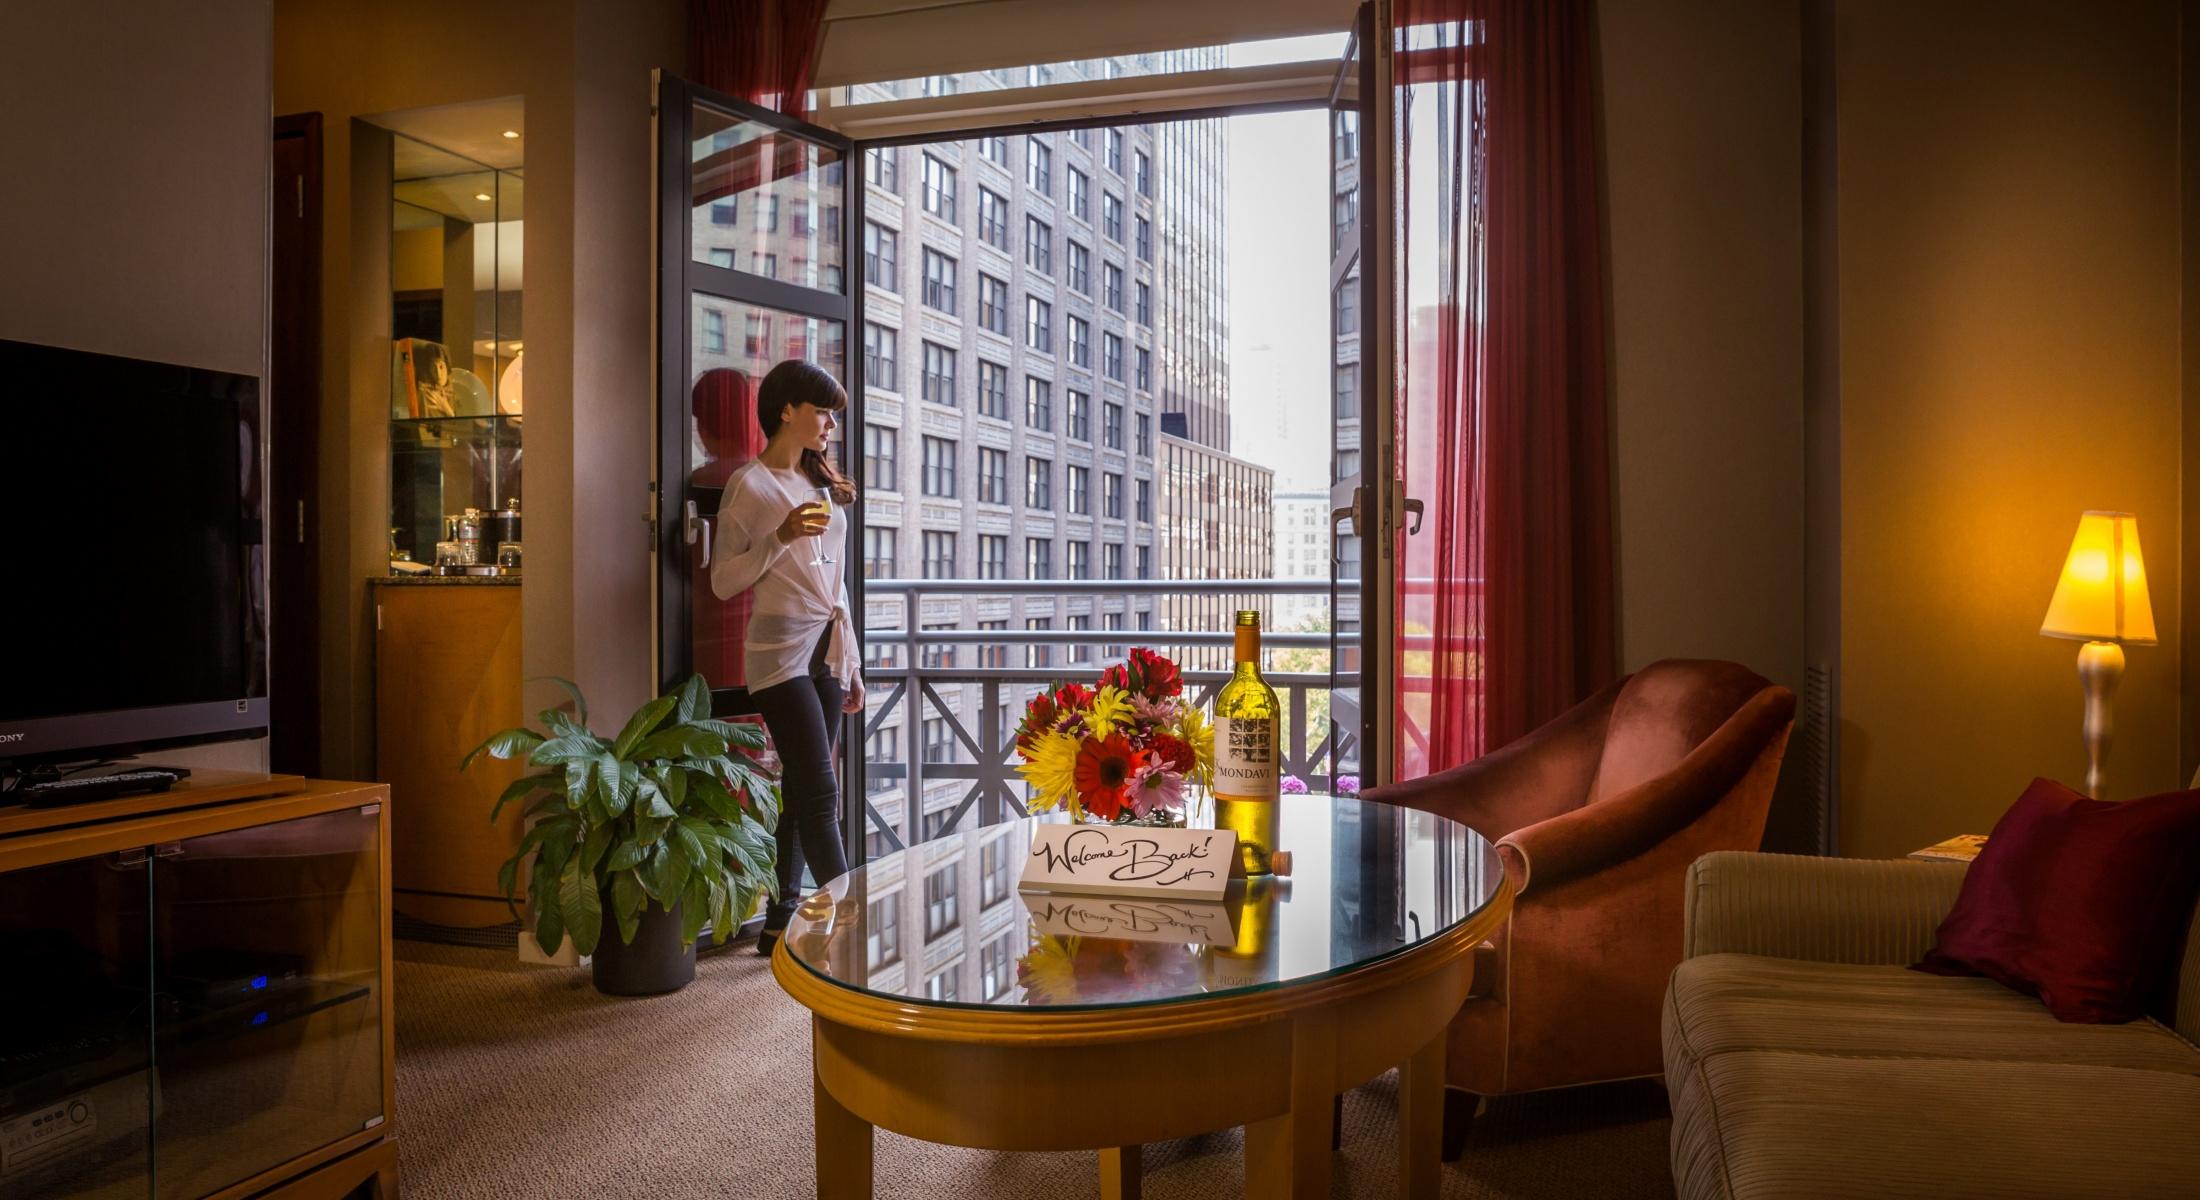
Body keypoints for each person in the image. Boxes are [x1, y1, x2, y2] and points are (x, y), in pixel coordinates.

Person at [709, 360, 861, 955]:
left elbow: (836, 584)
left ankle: (778, 922)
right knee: (822, 795)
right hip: (777, 656)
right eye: (822, 411)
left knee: (801, 793)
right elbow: (724, 580)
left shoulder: (816, 483)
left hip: (825, 649)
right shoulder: (750, 486)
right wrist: (780, 538)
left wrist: (853, 666)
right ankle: (853, 923)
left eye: (833, 414)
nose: (830, 423)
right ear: (785, 411)